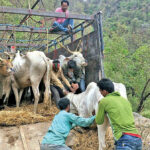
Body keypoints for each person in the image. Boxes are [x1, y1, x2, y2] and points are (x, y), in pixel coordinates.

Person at [95, 78, 142, 150]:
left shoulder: (103, 101)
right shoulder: (125, 101)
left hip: (124, 139)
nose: (100, 93)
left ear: (104, 91)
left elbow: (99, 121)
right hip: (137, 138)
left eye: (100, 91)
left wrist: (99, 107)